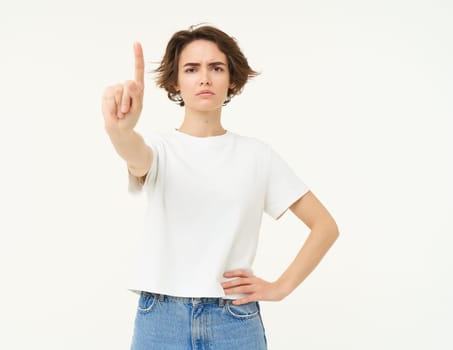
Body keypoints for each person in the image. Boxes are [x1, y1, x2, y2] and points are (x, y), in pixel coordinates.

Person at [101, 24, 339, 350]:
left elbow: (325, 227)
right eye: (191, 69)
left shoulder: (257, 155)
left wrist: (280, 288)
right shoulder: (159, 148)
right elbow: (134, 153)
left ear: (231, 79)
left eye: (216, 68)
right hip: (161, 319)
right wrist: (120, 131)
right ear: (175, 81)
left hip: (234, 320)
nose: (204, 78)